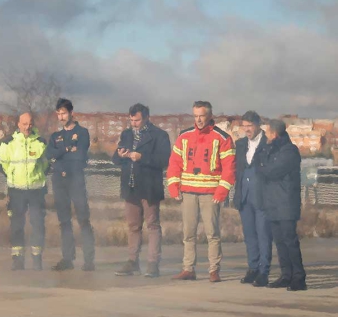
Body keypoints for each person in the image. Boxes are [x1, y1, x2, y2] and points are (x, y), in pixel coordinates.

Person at [166, 101, 236, 282]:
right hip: (188, 192)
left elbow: (229, 168)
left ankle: (214, 270)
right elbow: (174, 162)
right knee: (188, 233)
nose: (198, 120)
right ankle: (188, 269)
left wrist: (222, 191)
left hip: (210, 194)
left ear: (210, 116)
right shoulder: (184, 136)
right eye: (195, 116)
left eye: (201, 116)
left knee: (212, 233)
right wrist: (173, 186)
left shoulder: (222, 138)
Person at [113, 103, 171, 277]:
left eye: (136, 120)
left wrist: (142, 157)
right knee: (133, 226)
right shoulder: (126, 134)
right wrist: (120, 155)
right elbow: (115, 159)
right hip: (130, 185)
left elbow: (164, 160)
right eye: (131, 120)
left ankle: (153, 263)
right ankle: (132, 262)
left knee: (152, 224)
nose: (133, 123)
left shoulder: (159, 135)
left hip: (149, 186)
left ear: (146, 118)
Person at [256, 120, 306, 291]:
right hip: (272, 202)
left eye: (268, 133)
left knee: (289, 241)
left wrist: (263, 168)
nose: (266, 136)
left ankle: (299, 277)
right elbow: (259, 163)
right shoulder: (270, 148)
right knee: (279, 241)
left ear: (275, 134)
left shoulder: (289, 151)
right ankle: (286, 275)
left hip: (286, 203)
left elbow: (272, 171)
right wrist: (263, 165)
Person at [45, 98, 94, 271]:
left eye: (63, 113)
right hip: (59, 181)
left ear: (71, 113)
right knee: (64, 221)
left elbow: (79, 156)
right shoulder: (55, 136)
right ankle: (67, 258)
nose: (61, 117)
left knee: (83, 219)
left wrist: (61, 154)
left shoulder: (82, 133)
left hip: (76, 180)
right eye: (58, 113)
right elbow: (49, 156)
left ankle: (89, 260)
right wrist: (67, 149)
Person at [0, 112, 48, 270]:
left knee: (38, 225)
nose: (27, 127)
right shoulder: (8, 143)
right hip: (16, 191)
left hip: (36, 191)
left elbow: (46, 165)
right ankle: (18, 260)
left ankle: (37, 259)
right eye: (24, 124)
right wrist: (13, 176)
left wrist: (36, 177)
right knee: (17, 225)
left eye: (30, 123)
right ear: (18, 124)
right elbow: (1, 164)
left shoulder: (41, 142)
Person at [233, 111, 272, 287]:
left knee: (263, 234)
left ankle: (264, 272)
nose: (247, 130)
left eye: (250, 126)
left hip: (263, 196)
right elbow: (238, 170)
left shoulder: (268, 143)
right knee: (249, 235)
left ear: (258, 125)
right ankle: (253, 268)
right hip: (245, 195)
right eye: (244, 126)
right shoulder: (240, 144)